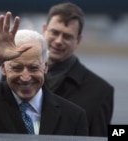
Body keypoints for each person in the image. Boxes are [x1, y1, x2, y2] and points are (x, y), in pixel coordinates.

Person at [0, 11, 88, 136]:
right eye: (16, 68)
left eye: (34, 68)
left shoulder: (73, 116)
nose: (25, 77)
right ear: (3, 68)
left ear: (45, 67)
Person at [41, 2, 114, 137]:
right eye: (55, 32)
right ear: (44, 30)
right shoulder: (16, 74)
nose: (58, 41)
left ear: (78, 40)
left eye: (67, 36)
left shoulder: (101, 93)